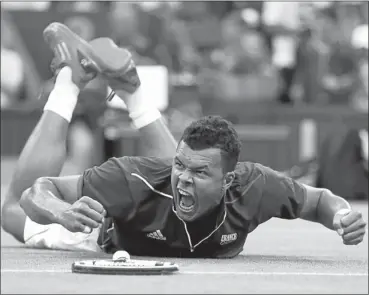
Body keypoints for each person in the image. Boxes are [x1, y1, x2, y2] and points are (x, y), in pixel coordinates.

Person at [2, 23, 366, 258]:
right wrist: (60, 212)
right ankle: (69, 80)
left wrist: (342, 216)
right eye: (181, 165)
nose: (185, 177)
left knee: (176, 180)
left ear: (229, 180)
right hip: (98, 237)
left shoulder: (255, 186)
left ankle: (132, 89)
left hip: (165, 210)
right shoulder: (132, 180)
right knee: (9, 213)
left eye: (201, 172)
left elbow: (319, 202)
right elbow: (36, 191)